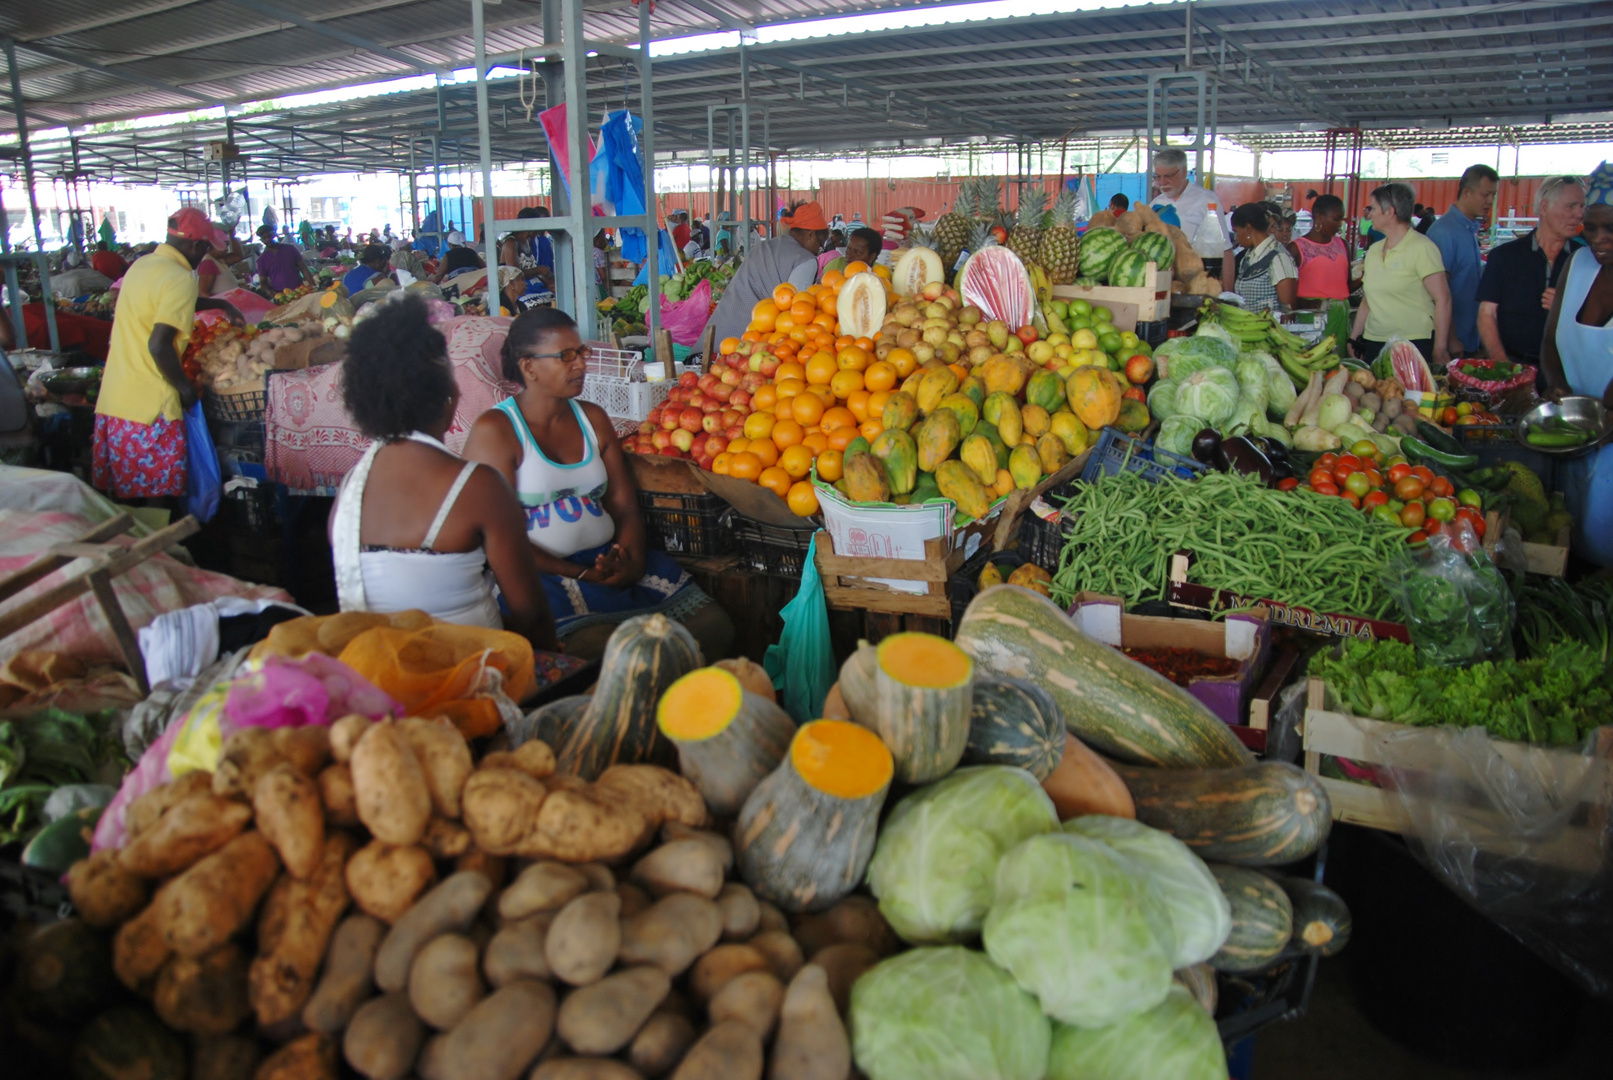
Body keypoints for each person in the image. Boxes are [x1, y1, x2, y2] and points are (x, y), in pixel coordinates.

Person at [462, 308, 735, 661]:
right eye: (565, 356)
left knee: (713, 629)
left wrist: (631, 563)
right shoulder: (497, 430)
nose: (579, 365)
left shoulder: (593, 419)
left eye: (581, 353)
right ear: (529, 367)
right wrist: (579, 572)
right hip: (540, 577)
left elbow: (623, 506)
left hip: (608, 565)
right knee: (612, 656)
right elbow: (497, 539)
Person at [329, 296, 563, 652]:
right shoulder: (478, 487)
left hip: (380, 682)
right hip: (474, 678)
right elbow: (531, 614)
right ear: (449, 398)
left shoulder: (348, 491)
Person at [93, 208, 245, 505]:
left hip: (115, 402)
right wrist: (185, 389)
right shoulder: (179, 278)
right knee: (159, 501)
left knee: (130, 505)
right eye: (205, 248)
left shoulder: (142, 265)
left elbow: (164, 300)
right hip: (151, 410)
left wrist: (220, 305)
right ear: (196, 245)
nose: (204, 256)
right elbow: (159, 345)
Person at [1539, 162, 1613, 567]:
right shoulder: (1579, 265)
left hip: (1608, 439)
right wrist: (1557, 385)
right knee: (1569, 528)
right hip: (1572, 430)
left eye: (1611, 229)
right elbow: (1552, 339)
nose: (1600, 240)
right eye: (1592, 227)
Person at [1477, 175, 1587, 365]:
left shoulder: (1585, 261)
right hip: (1515, 364)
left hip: (1568, 370)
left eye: (1582, 206)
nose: (1579, 214)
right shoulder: (1505, 257)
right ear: (1544, 207)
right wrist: (1504, 366)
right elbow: (1487, 314)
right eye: (1571, 206)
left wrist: (1566, 308)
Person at [1350, 182, 1453, 365]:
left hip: (1413, 344)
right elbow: (1368, 300)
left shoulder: (1422, 248)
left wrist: (1440, 347)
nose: (1369, 213)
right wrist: (1354, 337)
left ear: (1390, 212)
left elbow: (1442, 299)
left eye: (1372, 208)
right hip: (1374, 343)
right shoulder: (1374, 251)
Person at [705, 201, 830, 347]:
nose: (818, 251)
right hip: (749, 342)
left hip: (715, 334)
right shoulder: (806, 260)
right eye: (820, 245)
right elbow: (797, 311)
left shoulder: (765, 245)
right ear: (810, 235)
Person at [1427, 164, 1500, 356]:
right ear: (1466, 193)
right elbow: (1438, 292)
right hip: (1454, 342)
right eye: (1486, 195)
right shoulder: (1444, 232)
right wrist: (1450, 339)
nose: (1490, 201)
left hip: (1469, 337)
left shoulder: (1468, 229)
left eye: (1493, 195)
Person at [1149, 148, 1232, 271]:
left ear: (1183, 172)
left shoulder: (1207, 200)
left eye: (1168, 176)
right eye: (1158, 176)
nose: (1162, 182)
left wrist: (1227, 290)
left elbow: (1225, 250)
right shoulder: (1156, 204)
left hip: (1198, 277)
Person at [1228, 203, 1298, 313]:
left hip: (1270, 327)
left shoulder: (1279, 258)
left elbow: (1288, 310)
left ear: (1248, 229)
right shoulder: (1248, 257)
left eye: (1236, 231)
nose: (1236, 237)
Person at [1290, 194, 1351, 308]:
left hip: (1341, 314)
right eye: (1336, 219)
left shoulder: (1343, 245)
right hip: (1311, 317)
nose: (1340, 224)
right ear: (1319, 217)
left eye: (1341, 219)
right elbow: (1285, 293)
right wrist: (1311, 304)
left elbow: (1347, 286)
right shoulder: (1296, 248)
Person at [500, 207, 557, 314]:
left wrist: (547, 282)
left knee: (556, 299)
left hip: (532, 285)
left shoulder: (528, 241)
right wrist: (539, 270)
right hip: (516, 286)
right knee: (539, 307)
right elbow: (515, 273)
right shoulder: (511, 242)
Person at [256, 224, 316, 294]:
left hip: (299, 290)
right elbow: (263, 283)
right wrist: (271, 293)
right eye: (264, 238)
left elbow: (303, 267)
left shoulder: (290, 249)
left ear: (274, 234)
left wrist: (313, 285)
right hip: (281, 295)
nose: (268, 239)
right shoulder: (262, 260)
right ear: (261, 240)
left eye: (269, 236)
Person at [593, 231, 611, 301]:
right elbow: (603, 275)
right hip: (598, 288)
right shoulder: (598, 252)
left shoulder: (586, 250)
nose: (605, 241)